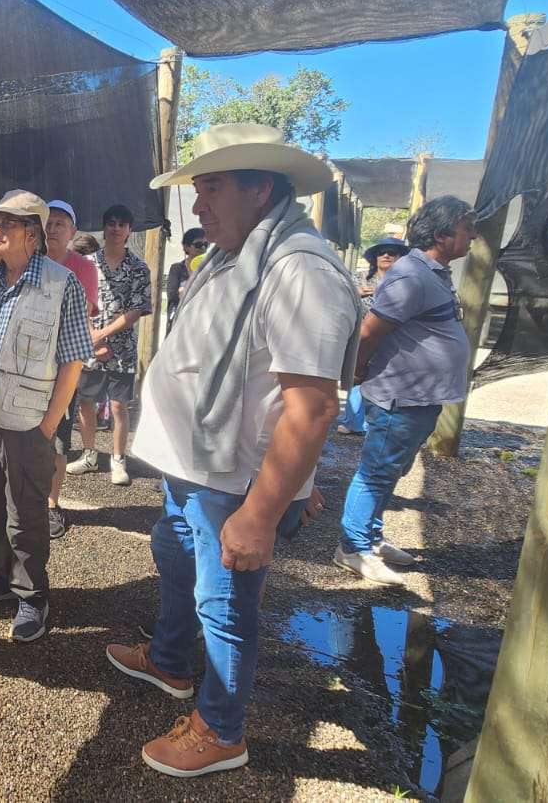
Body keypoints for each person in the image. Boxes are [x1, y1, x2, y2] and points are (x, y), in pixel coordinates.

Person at [110, 124, 359, 779]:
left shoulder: (299, 270)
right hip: (193, 464)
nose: (198, 206)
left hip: (233, 481)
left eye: (212, 188)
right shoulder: (233, 255)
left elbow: (312, 408)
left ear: (261, 188)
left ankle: (221, 730)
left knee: (224, 605)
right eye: (198, 189)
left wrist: (263, 511)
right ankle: (169, 660)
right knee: (175, 559)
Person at [0, 190, 91, 642]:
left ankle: (33, 595)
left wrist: (49, 424)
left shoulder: (62, 284)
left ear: (32, 234)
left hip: (29, 420)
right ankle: (2, 575)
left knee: (27, 511)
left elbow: (73, 359)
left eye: (7, 223)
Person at [334, 198, 476, 586]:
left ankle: (372, 538)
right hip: (400, 395)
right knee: (377, 471)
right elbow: (370, 332)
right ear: (442, 235)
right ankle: (352, 547)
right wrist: (357, 371)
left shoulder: (432, 274)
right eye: (466, 228)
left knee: (392, 469)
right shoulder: (411, 276)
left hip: (420, 395)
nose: (473, 236)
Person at [67, 204, 151, 486]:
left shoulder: (139, 268)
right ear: (104, 228)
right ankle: (89, 454)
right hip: (88, 344)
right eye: (111, 223)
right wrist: (92, 336)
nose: (116, 228)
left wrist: (103, 335)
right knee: (85, 401)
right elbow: (78, 301)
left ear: (129, 230)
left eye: (122, 224)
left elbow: (137, 309)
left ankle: (118, 459)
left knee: (118, 406)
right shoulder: (87, 264)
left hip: (122, 348)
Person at [42, 199, 101, 539]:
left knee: (58, 441)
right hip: (23, 367)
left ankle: (51, 504)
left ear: (73, 231)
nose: (52, 229)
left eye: (60, 223)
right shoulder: (26, 260)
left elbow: (83, 315)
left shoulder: (83, 268)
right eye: (47, 222)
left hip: (64, 366)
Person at [336, 236, 409, 435]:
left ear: (401, 257)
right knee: (356, 376)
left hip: (391, 339)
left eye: (392, 252)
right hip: (360, 336)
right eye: (381, 252)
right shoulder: (358, 279)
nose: (386, 255)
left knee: (383, 380)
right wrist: (355, 293)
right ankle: (352, 421)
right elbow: (336, 296)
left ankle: (375, 423)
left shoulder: (406, 283)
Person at [165, 227, 207, 331]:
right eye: (198, 245)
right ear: (186, 247)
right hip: (179, 321)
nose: (203, 248)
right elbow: (172, 294)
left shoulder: (209, 268)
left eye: (206, 244)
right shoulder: (177, 268)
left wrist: (185, 290)